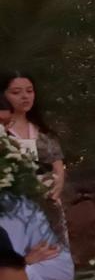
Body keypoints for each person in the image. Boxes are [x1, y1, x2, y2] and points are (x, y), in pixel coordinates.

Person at [1, 75, 62, 203]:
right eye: (16, 92)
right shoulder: (2, 132)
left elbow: (58, 167)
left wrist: (56, 186)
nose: (25, 96)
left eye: (29, 91)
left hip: (44, 201)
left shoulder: (43, 132)